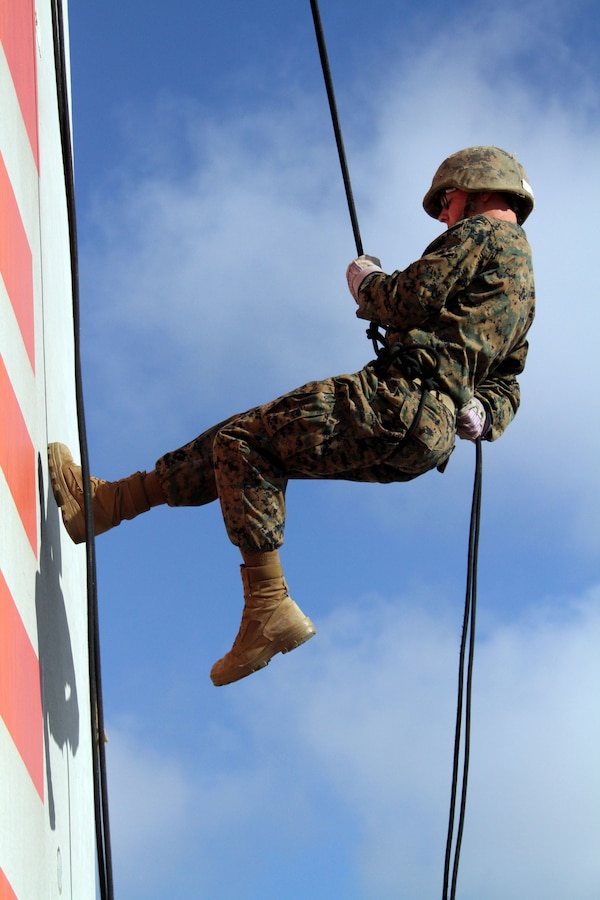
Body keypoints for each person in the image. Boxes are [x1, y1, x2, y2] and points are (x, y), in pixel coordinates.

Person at [48, 145, 535, 687]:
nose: (445, 213)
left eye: (447, 200)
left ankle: (268, 607)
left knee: (245, 442)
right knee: (245, 439)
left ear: (477, 190)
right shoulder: (526, 290)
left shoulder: (484, 234)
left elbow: (408, 297)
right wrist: (485, 413)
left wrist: (365, 282)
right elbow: (508, 380)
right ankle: (109, 504)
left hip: (398, 400)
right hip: (428, 438)